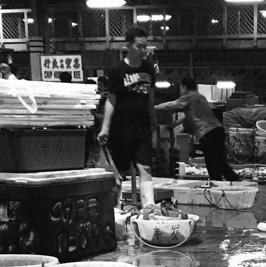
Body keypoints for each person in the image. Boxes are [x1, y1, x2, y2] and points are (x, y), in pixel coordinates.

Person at [100, 27, 158, 206]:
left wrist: (153, 121)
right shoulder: (117, 71)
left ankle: (150, 210)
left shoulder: (149, 69)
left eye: (145, 47)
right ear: (129, 46)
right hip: (121, 128)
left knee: (145, 168)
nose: (143, 51)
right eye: (139, 47)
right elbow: (111, 100)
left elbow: (150, 96)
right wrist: (105, 128)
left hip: (142, 128)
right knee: (118, 173)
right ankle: (113, 212)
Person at [155, 76, 238, 182]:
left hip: (207, 133)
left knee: (212, 164)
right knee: (220, 162)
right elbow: (190, 115)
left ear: (184, 87)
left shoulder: (188, 96)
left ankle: (216, 186)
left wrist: (153, 107)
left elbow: (171, 105)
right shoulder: (200, 97)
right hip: (218, 130)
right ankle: (235, 180)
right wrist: (175, 124)